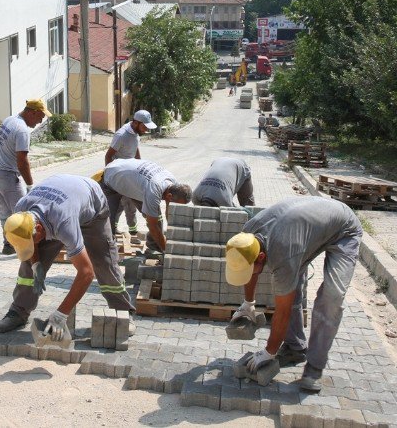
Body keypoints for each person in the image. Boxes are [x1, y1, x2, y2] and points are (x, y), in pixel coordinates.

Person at [224, 196, 363, 392]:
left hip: (343, 230)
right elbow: (250, 269)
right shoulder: (247, 235)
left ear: (261, 257)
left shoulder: (283, 253)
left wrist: (269, 352)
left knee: (332, 297)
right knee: (289, 284)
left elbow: (283, 312)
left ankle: (314, 367)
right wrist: (248, 304)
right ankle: (295, 348)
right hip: (306, 230)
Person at [0, 174, 136, 335]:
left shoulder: (63, 224)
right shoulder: (20, 212)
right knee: (27, 266)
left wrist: (61, 314)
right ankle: (18, 311)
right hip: (61, 200)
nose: (30, 246)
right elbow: (30, 244)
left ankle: (123, 312)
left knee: (104, 263)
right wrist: (35, 264)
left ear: (39, 229)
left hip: (92, 207)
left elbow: (86, 273)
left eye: (31, 241)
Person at [0, 99, 50, 254]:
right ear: (32, 112)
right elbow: (22, 161)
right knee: (24, 214)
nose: (40, 122)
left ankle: (8, 244)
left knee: (4, 212)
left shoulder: (10, 120)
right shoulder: (22, 130)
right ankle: (30, 248)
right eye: (40, 117)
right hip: (7, 176)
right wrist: (30, 185)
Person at [95, 158, 191, 252]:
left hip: (133, 181)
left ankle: (154, 248)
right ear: (169, 196)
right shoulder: (153, 191)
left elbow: (169, 211)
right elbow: (152, 226)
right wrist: (167, 251)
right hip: (112, 176)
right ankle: (106, 251)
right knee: (107, 219)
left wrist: (173, 231)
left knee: (157, 219)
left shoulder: (173, 184)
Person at [104, 110, 158, 237]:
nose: (145, 130)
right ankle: (120, 231)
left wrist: (139, 165)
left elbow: (136, 147)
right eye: (144, 127)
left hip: (131, 173)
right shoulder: (121, 135)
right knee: (125, 204)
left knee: (124, 205)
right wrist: (109, 178)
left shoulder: (136, 132)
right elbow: (108, 156)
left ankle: (124, 230)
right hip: (120, 176)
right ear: (135, 123)